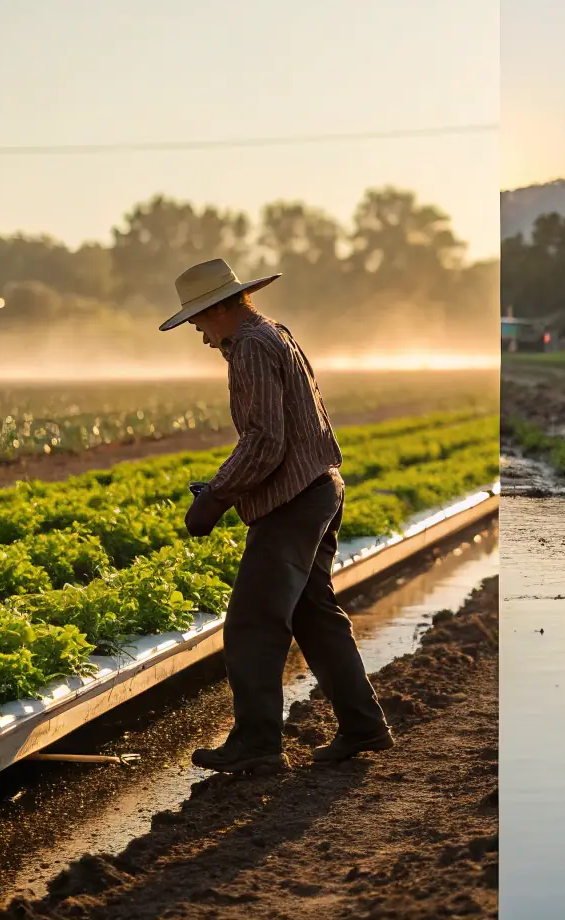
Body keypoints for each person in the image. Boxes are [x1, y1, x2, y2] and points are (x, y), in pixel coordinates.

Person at [159, 258, 393, 774]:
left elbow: (265, 440)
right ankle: (363, 725)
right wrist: (224, 491)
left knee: (252, 622)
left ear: (220, 307)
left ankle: (258, 744)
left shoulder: (248, 346)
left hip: (294, 503)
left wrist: (216, 497)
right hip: (319, 488)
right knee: (314, 615)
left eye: (199, 321)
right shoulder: (273, 333)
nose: (200, 336)